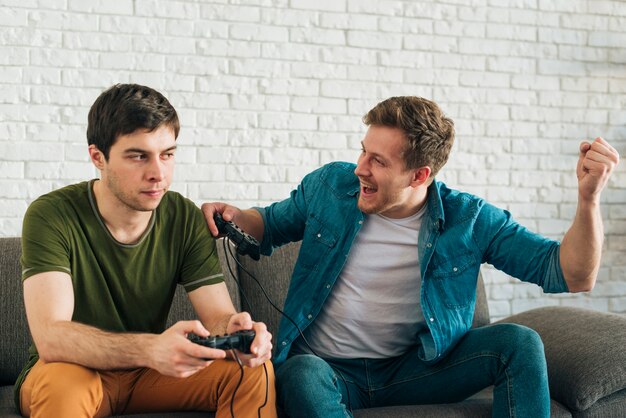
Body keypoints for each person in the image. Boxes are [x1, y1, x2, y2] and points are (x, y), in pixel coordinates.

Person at [202, 96, 620, 418]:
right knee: (300, 373)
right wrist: (235, 216)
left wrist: (589, 199)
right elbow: (268, 224)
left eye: (378, 161)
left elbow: (570, 274)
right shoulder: (330, 187)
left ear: (420, 175)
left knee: (519, 343)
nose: (360, 168)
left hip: (416, 371)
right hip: (328, 372)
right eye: (363, 151)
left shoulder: (469, 219)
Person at [16, 84, 277, 418]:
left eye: (167, 154)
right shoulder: (51, 215)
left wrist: (237, 331)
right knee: (63, 388)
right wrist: (150, 349)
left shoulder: (182, 216)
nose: (158, 173)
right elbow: (51, 338)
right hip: (70, 369)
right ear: (98, 157)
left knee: (253, 371)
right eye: (139, 156)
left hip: (149, 375)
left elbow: (217, 317)